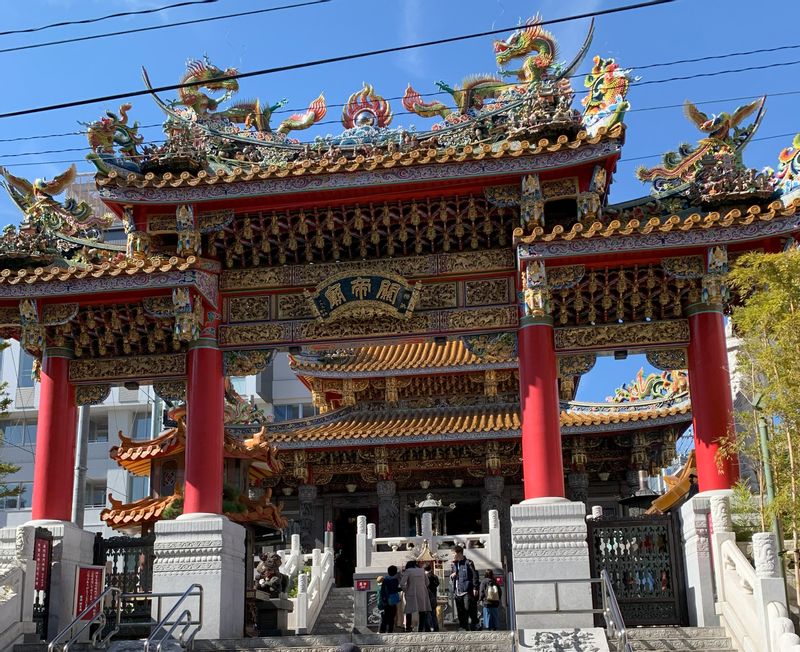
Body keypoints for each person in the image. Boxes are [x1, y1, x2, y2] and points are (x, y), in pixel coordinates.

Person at [450, 544, 479, 630]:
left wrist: (475, 587)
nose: (452, 555)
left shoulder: (468, 563)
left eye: (453, 553)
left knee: (469, 608)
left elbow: (475, 575)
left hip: (467, 590)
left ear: (459, 553)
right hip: (457, 591)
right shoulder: (454, 564)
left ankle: (475, 623)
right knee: (460, 610)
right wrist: (452, 575)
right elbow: (452, 576)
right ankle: (463, 626)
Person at [399, 560, 431, 632]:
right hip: (422, 592)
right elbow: (427, 582)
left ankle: (408, 627)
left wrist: (405, 590)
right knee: (422, 610)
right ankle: (421, 628)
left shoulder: (408, 571)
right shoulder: (422, 570)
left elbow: (402, 583)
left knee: (409, 610)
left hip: (411, 592)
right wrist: (422, 587)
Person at [379, 565, 400, 633]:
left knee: (385, 616)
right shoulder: (395, 580)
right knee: (392, 616)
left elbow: (382, 591)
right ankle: (390, 630)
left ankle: (383, 629)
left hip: (387, 600)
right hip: (393, 600)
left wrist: (384, 600)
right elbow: (396, 589)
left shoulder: (385, 580)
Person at [424, 564, 440, 632]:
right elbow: (437, 583)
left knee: (428, 614)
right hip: (433, 596)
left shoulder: (425, 577)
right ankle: (435, 627)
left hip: (427, 597)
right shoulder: (434, 576)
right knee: (433, 614)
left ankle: (429, 628)